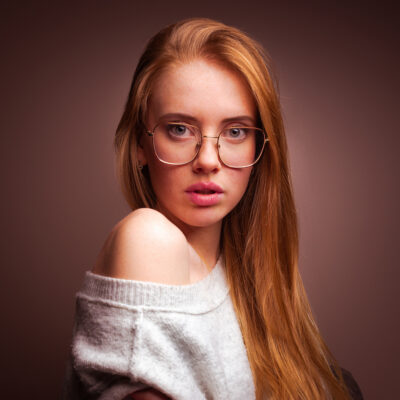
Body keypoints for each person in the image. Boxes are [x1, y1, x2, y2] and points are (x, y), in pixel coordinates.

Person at [62, 18, 363, 400]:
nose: (207, 160)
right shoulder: (148, 239)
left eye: (235, 131)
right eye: (180, 129)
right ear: (141, 143)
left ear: (259, 148)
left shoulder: (250, 281)